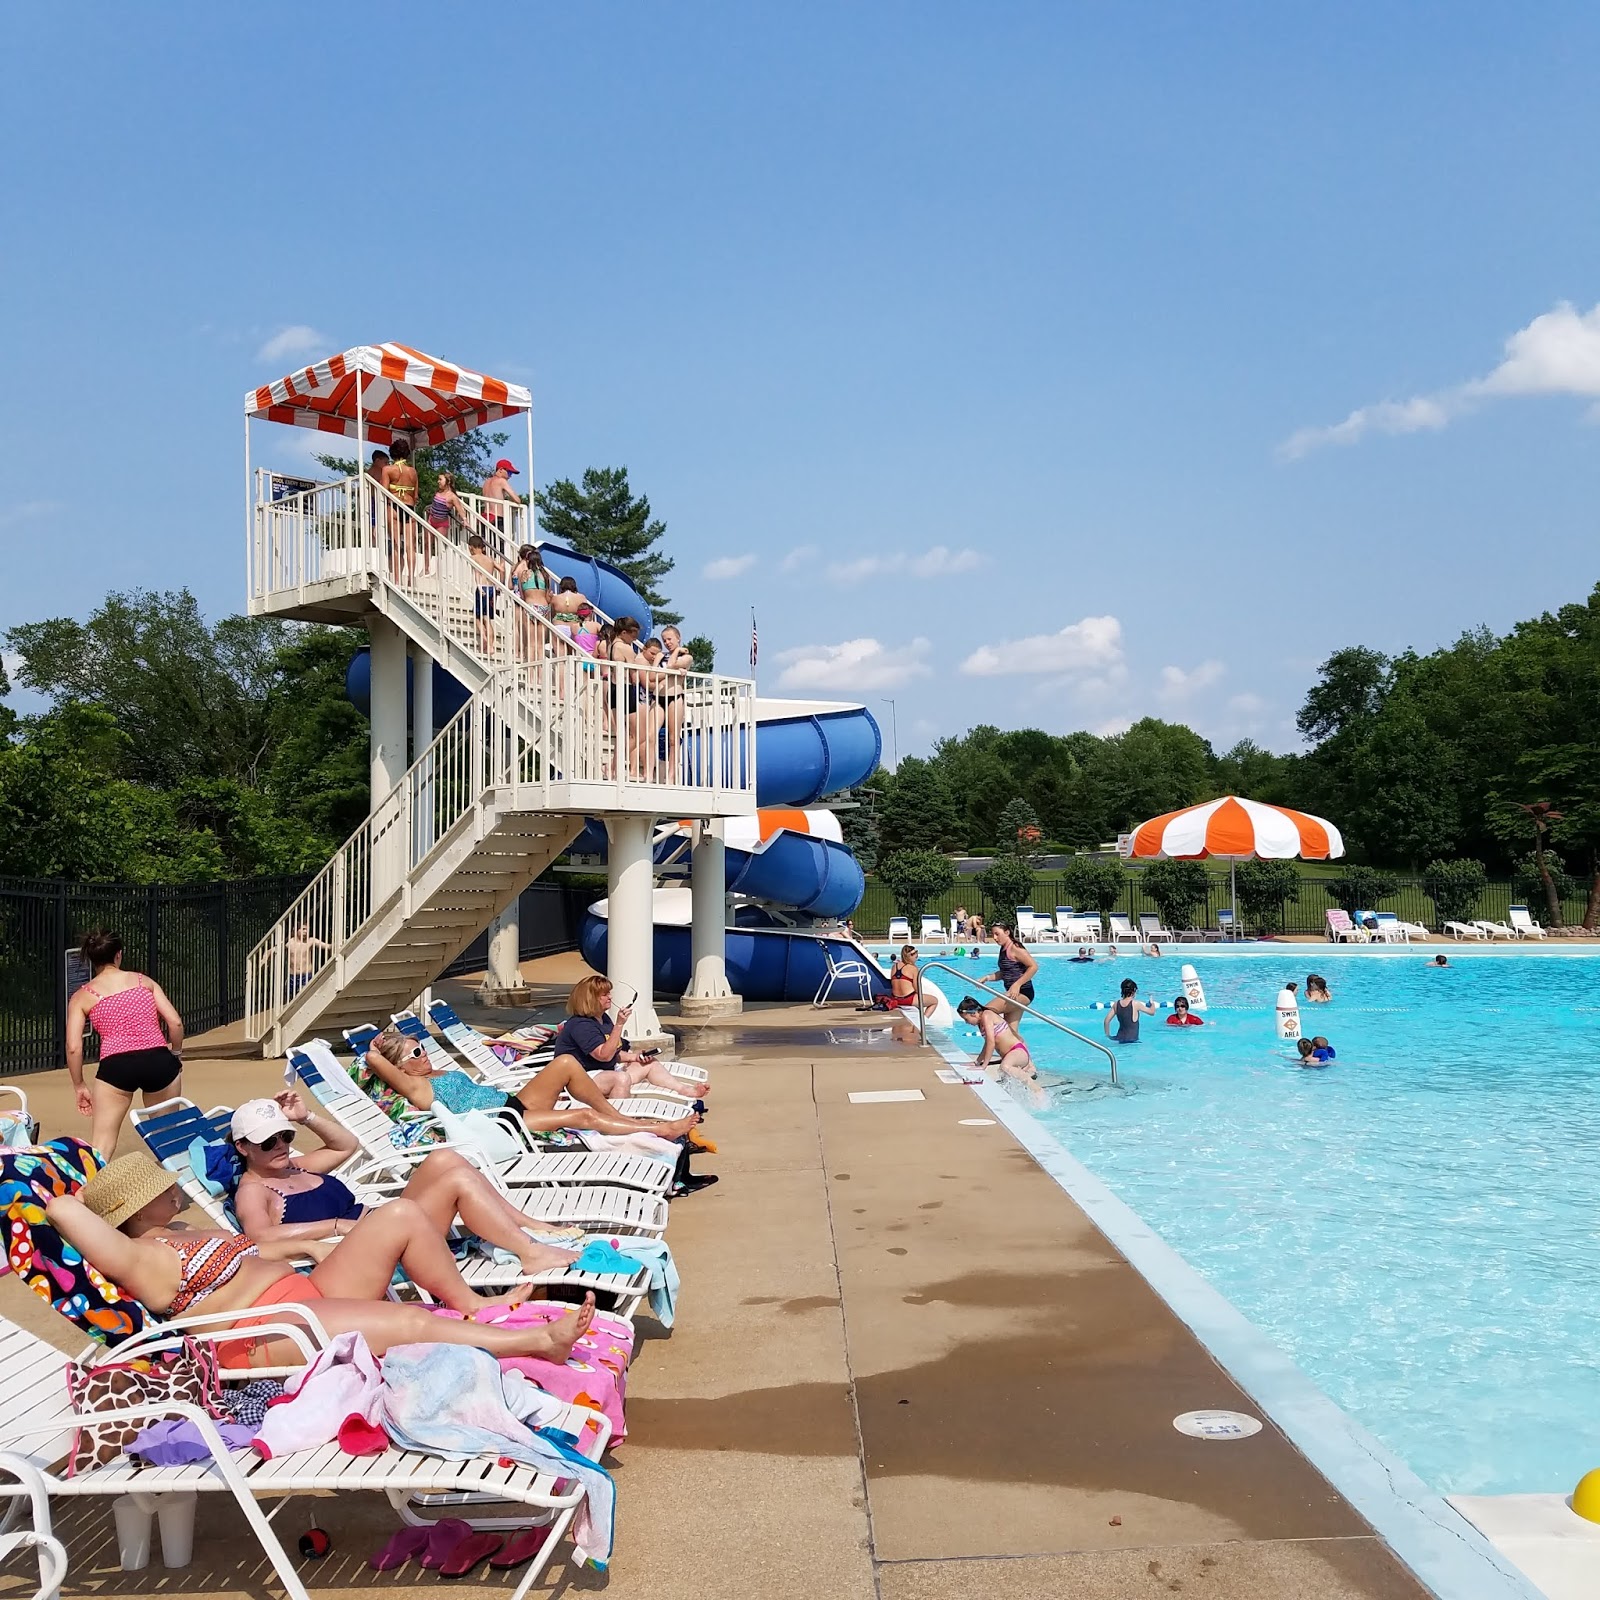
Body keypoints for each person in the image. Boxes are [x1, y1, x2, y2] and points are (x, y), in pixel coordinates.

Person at [48, 1152, 596, 1372]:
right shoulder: (140, 1258)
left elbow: (253, 1251)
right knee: (408, 1324)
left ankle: (473, 1305)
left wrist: (309, 1246)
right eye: (161, 1188)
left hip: (306, 1297)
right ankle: (536, 1343)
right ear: (137, 1208)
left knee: (401, 1213)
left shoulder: (183, 1232)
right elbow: (65, 1210)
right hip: (264, 1334)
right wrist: (49, 1189)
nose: (174, 1189)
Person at [229, 1094, 578, 1276]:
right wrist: (333, 1225)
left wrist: (305, 1118)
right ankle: (530, 1252)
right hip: (374, 1249)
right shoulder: (254, 1191)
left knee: (444, 1159)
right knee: (455, 1179)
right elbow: (259, 1238)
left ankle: (530, 1226)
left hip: (382, 1222)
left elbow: (345, 1146)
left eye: (285, 1136)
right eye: (267, 1142)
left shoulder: (292, 1166)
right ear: (243, 1147)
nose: (280, 1147)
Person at [362, 1024, 703, 1138]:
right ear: (401, 1068)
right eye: (416, 1054)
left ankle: (620, 1117)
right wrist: (375, 1047)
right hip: (504, 1124)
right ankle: (657, 1130)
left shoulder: (434, 1073)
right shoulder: (416, 1086)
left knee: (566, 1063)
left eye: (421, 1048)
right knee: (582, 1117)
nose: (425, 1055)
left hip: (512, 1104)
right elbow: (374, 1060)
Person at [66, 930, 185, 1159]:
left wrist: (79, 1084)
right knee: (169, 1140)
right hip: (157, 1058)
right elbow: (175, 1023)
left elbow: (74, 1047)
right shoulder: (143, 981)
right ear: (118, 955)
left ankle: (89, 1194)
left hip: (116, 1065)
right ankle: (177, 1194)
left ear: (92, 959)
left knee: (102, 1143)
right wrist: (176, 1054)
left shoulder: (82, 996)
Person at [549, 976, 710, 1100]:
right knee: (622, 1079)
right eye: (604, 995)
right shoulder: (581, 1025)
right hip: (580, 1079)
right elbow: (603, 1055)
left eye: (609, 993)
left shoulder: (603, 1019)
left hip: (603, 1073)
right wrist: (619, 1025)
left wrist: (635, 1056)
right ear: (590, 999)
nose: (610, 997)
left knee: (649, 1064)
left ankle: (685, 1090)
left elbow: (614, 1052)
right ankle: (619, 1120)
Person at [957, 997, 1035, 1082]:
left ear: (973, 1014)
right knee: (1005, 1075)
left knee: (1005, 1067)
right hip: (1010, 1054)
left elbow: (991, 1042)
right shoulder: (981, 1023)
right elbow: (987, 1044)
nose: (966, 1022)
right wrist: (977, 1062)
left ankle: (1037, 1090)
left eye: (966, 1019)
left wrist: (984, 1065)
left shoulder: (986, 1016)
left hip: (1017, 1050)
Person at [982, 922, 1038, 1024]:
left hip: (1022, 993)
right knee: (1011, 1033)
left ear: (1007, 932)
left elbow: (1033, 967)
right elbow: (1005, 972)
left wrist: (1017, 985)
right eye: (993, 934)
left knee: (986, 1012)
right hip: (1013, 994)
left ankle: (993, 1038)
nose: (994, 937)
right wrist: (987, 978)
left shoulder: (1015, 948)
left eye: (997, 934)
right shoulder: (1003, 949)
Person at [385, 437, 421, 580]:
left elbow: (384, 490)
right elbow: (416, 495)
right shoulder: (413, 472)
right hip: (409, 507)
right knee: (410, 546)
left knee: (395, 544)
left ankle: (397, 579)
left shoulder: (388, 469)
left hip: (394, 505)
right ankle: (411, 579)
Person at [466, 533, 502, 655]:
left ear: (471, 547)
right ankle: (491, 647)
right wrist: (500, 584)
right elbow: (502, 569)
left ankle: (484, 638)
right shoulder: (490, 559)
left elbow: (476, 572)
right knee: (488, 618)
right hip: (491, 588)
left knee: (477, 617)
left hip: (481, 588)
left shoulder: (474, 558)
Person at [877, 945, 938, 1017]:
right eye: (915, 955)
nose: (916, 956)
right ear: (909, 956)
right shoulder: (913, 968)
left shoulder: (895, 966)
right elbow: (917, 988)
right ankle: (923, 1021)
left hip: (895, 999)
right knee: (934, 1001)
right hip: (908, 999)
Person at [480, 458, 522, 547]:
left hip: (485, 517)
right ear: (501, 470)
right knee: (501, 548)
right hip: (497, 518)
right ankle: (502, 562)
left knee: (487, 546)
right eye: (509, 473)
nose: (510, 476)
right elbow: (517, 499)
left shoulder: (486, 482)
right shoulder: (501, 481)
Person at [284, 922, 330, 997]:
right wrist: (264, 959)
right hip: (292, 976)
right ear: (296, 930)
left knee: (305, 998)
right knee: (291, 1000)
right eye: (303, 929)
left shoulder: (311, 940)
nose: (305, 931)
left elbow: (326, 946)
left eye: (307, 929)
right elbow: (274, 949)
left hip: (306, 976)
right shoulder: (289, 942)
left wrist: (334, 945)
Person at [1104, 978, 1157, 1044]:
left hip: (1119, 1039)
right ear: (1133, 991)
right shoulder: (1135, 1004)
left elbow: (1106, 1021)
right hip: (1132, 1041)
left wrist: (1108, 1035)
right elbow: (1152, 1012)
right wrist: (1152, 1003)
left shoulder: (1116, 1004)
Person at [427, 469, 469, 544]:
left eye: (440, 479)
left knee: (440, 547)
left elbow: (460, 509)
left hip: (441, 524)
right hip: (431, 520)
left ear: (448, 481)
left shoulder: (452, 497)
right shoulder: (438, 491)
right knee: (427, 545)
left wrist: (464, 520)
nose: (438, 481)